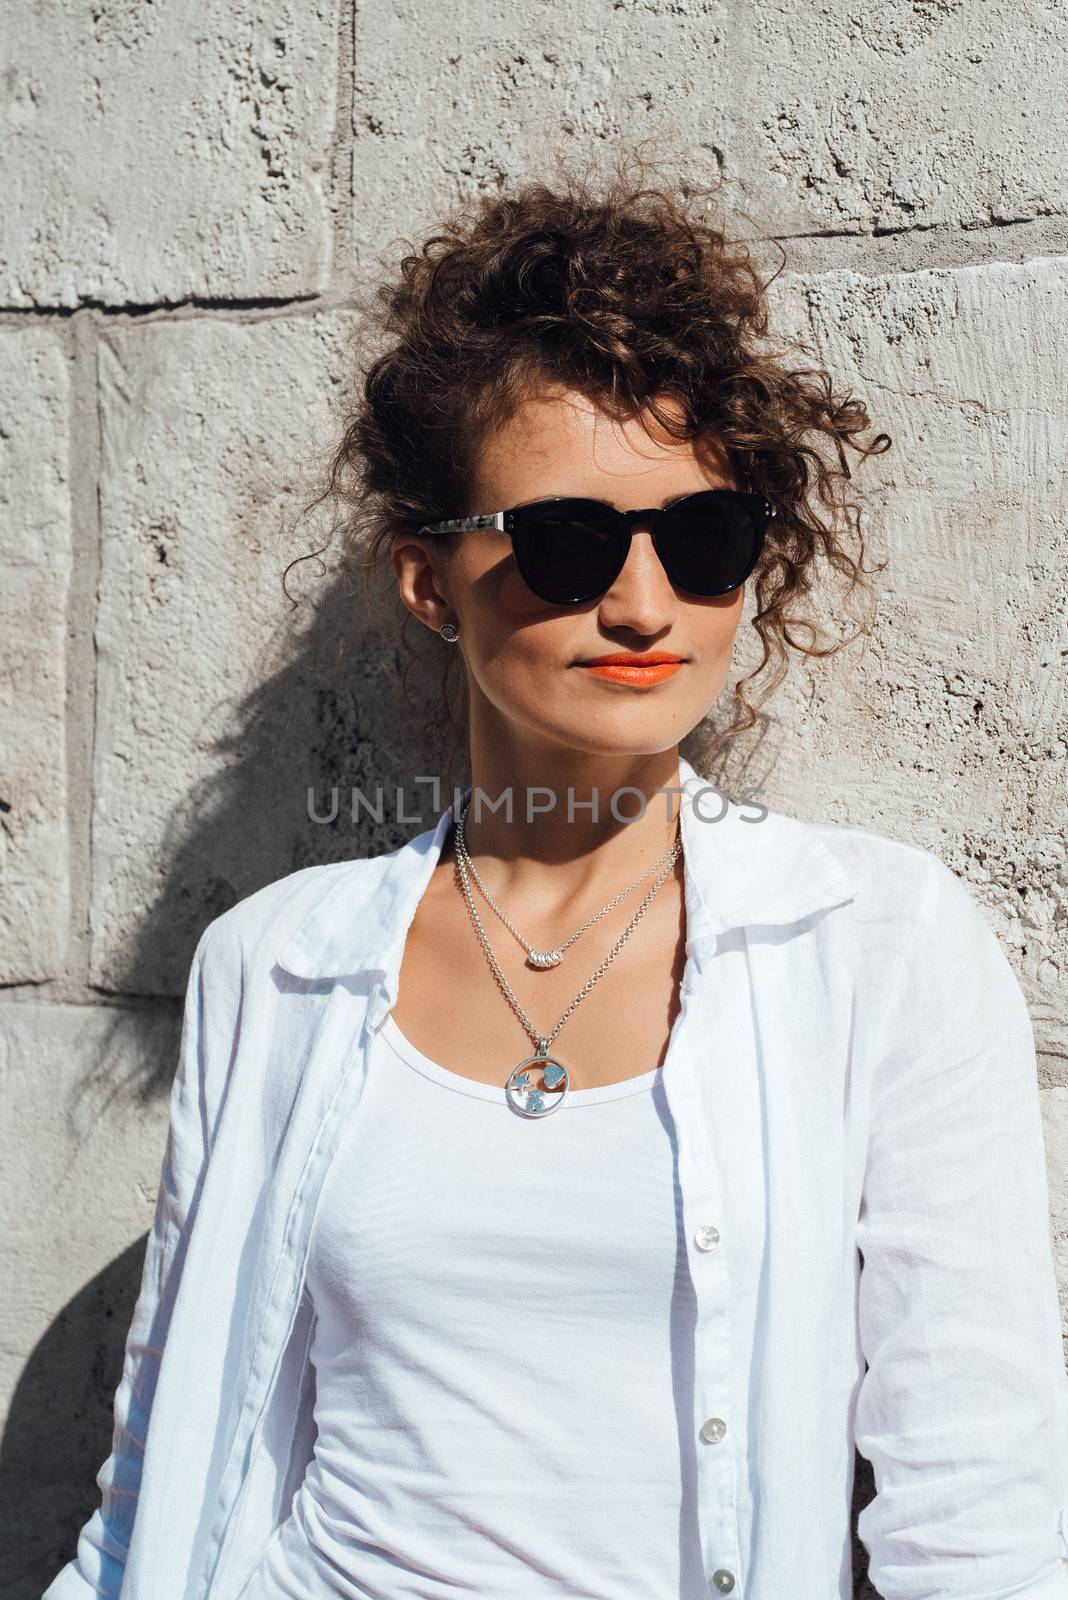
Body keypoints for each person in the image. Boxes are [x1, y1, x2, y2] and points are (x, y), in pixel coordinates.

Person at [45, 164, 1068, 1600]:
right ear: (428, 579)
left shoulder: (876, 950)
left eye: (704, 541)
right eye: (569, 541)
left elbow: (979, 1519)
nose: (645, 604)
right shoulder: (275, 967)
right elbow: (157, 1481)